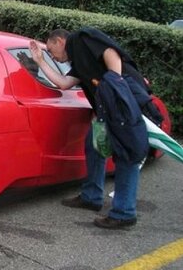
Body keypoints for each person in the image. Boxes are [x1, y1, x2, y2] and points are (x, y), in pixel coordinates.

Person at [29, 27, 151, 229]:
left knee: (126, 156)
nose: (54, 57)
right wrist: (39, 61)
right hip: (109, 112)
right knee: (94, 145)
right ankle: (91, 196)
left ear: (60, 41)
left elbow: (110, 52)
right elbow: (64, 83)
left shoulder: (80, 38)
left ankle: (124, 213)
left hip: (124, 106)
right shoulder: (79, 63)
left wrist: (115, 88)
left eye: (51, 51)